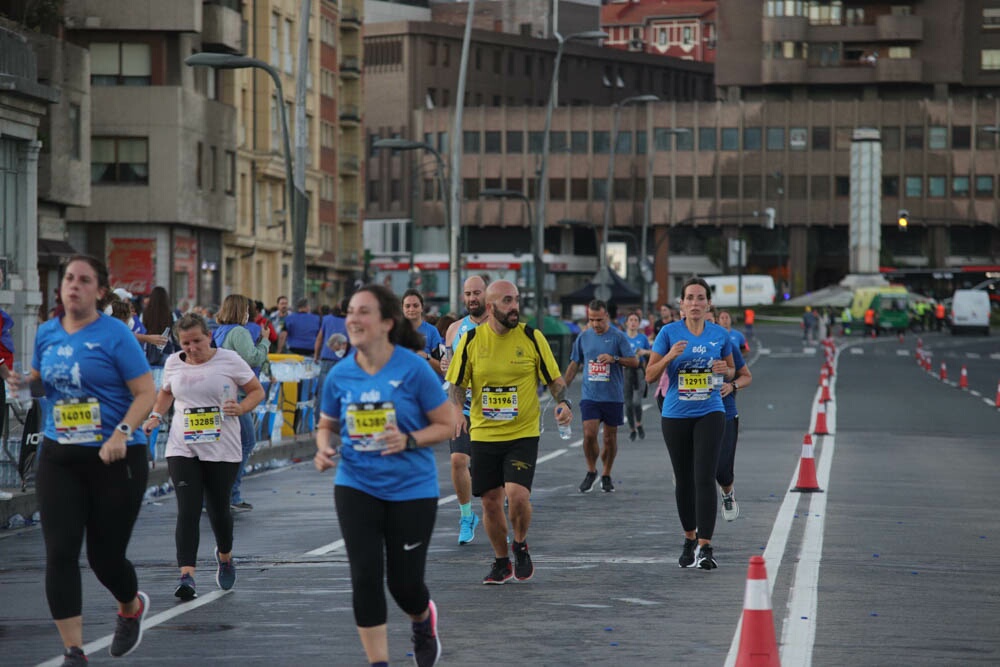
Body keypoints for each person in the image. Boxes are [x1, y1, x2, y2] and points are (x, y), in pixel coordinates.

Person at [313, 284, 454, 667]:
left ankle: (422, 620)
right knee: (365, 576)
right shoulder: (340, 374)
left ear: (387, 323)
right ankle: (379, 663)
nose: (353, 319)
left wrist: (409, 439)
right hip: (356, 484)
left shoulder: (413, 369)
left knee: (404, 585)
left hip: (412, 489)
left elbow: (448, 423)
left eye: (364, 312)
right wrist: (324, 446)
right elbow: (326, 424)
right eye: (350, 312)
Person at [28, 255, 156, 665]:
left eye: (84, 280)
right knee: (60, 551)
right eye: (68, 278)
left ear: (100, 291)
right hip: (59, 457)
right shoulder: (46, 333)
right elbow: (45, 385)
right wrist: (22, 382)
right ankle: (74, 651)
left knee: (105, 556)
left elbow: (145, 393)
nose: (73, 286)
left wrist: (121, 433)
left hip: (116, 457)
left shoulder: (116, 334)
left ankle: (130, 606)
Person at [445, 280, 572, 584]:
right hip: (485, 433)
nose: (514, 306)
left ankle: (520, 542)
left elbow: (554, 379)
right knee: (490, 501)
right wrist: (455, 411)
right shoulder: (472, 340)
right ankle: (502, 561)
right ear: (490, 308)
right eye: (506, 301)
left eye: (515, 300)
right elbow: (457, 384)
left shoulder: (532, 337)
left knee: (516, 496)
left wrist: (563, 402)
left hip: (522, 432)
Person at [142, 313, 265, 600]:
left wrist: (242, 407)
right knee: (188, 510)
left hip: (223, 447)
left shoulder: (229, 360)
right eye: (186, 343)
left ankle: (225, 556)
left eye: (197, 341)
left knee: (219, 510)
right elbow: (165, 393)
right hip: (183, 446)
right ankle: (187, 575)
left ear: (209, 336)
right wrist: (156, 416)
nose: (192, 348)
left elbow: (256, 391)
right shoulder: (173, 362)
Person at [646, 277, 735, 571]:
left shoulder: (720, 335)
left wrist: (726, 371)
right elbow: (649, 376)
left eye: (700, 298)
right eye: (690, 298)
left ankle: (706, 546)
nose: (695, 303)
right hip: (675, 415)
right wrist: (670, 355)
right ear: (681, 305)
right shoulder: (668, 332)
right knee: (684, 479)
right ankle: (689, 538)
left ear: (708, 303)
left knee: (704, 476)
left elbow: (734, 371)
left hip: (710, 410)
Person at [562, 300, 638, 493]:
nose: (595, 324)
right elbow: (574, 364)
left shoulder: (618, 337)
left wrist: (615, 359)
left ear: (607, 317)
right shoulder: (583, 337)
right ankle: (591, 470)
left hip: (612, 396)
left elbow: (635, 361)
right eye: (591, 319)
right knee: (589, 434)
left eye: (599, 320)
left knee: (610, 440)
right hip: (590, 395)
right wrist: (561, 391)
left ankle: (606, 473)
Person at [438, 276, 489, 545]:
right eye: (468, 293)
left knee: (487, 468)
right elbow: (449, 368)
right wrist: (446, 364)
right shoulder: (454, 329)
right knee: (459, 460)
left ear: (487, 295)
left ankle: (495, 509)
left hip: (493, 408)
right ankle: (467, 516)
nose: (472, 298)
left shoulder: (500, 326)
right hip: (462, 405)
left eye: (477, 293)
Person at [213, 295, 272, 512]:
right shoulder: (239, 332)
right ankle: (231, 494)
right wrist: (265, 341)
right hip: (236, 394)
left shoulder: (219, 331)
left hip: (220, 391)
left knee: (223, 446)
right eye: (246, 310)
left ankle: (216, 494)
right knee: (246, 441)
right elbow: (253, 357)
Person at [714, 310, 753, 521]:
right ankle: (699, 533)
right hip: (693, 412)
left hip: (725, 412)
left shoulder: (725, 341)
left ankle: (727, 492)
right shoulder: (684, 342)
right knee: (698, 474)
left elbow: (746, 376)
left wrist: (732, 384)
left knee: (722, 470)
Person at [622, 311, 652, 442]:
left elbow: (652, 353)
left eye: (635, 320)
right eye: (631, 320)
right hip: (626, 372)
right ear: (627, 323)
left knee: (636, 402)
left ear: (639, 324)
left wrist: (644, 352)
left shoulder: (643, 338)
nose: (633, 322)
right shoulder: (622, 338)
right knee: (628, 404)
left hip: (639, 371)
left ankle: (639, 423)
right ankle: (632, 429)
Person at [402, 289, 445, 375]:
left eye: (415, 305)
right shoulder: (395, 331)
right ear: (402, 308)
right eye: (407, 306)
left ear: (422, 308)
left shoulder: (432, 331)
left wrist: (427, 357)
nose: (411, 309)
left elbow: (443, 368)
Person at [315, 304, 348, 394]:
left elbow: (319, 338)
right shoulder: (350, 322)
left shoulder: (327, 319)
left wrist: (316, 355)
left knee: (323, 389)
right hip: (344, 359)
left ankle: (321, 407)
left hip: (327, 357)